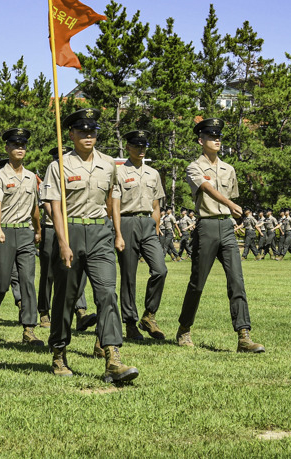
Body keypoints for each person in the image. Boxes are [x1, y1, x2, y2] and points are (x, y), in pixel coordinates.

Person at [41, 108, 138, 383]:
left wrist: (117, 233)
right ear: (70, 134)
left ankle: (112, 356)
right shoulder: (58, 165)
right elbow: (56, 207)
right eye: (82, 131)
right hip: (70, 231)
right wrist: (62, 242)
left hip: (100, 233)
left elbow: (112, 200)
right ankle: (59, 351)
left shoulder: (109, 164)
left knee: (107, 292)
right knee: (65, 298)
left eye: (92, 131)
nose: (88, 135)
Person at [177, 117, 264, 354]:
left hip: (226, 227)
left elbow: (231, 198)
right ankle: (184, 328)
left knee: (236, 280)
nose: (216, 140)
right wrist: (229, 204)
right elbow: (207, 189)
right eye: (211, 137)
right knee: (197, 283)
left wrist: (232, 213)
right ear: (200, 140)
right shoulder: (194, 167)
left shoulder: (229, 169)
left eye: (218, 137)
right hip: (206, 227)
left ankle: (243, 335)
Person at [0, 128, 44, 346]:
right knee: (0, 284)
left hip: (25, 232)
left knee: (27, 281)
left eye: (23, 145)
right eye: (15, 145)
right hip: (4, 232)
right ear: (7, 148)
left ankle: (29, 329)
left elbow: (34, 206)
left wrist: (37, 229)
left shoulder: (31, 177)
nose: (20, 149)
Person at [112, 129, 168, 341]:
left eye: (144, 145)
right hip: (126, 222)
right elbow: (115, 205)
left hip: (147, 224)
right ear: (128, 147)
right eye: (136, 145)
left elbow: (156, 204)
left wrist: (155, 226)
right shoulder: (119, 173)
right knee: (128, 277)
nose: (141, 149)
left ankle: (149, 315)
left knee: (160, 270)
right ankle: (129, 323)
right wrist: (118, 233)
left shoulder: (153, 173)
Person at [36, 147, 96, 331]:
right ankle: (45, 311)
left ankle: (80, 311)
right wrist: (58, 221)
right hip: (51, 228)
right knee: (49, 273)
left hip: (74, 227)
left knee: (78, 270)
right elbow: (47, 203)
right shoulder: (52, 172)